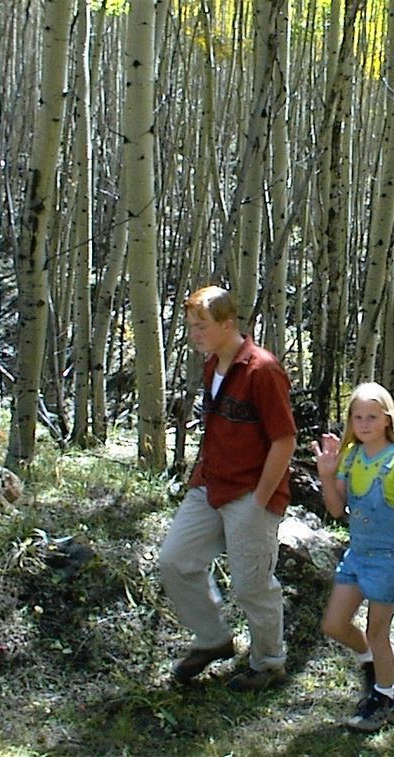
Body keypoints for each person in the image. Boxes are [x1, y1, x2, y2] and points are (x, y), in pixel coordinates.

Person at [159, 285, 297, 692]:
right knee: (175, 561)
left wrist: (259, 502)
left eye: (201, 326)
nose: (194, 334)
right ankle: (213, 639)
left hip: (252, 493)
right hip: (210, 486)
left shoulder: (262, 370)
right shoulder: (211, 366)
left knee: (252, 585)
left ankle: (269, 664)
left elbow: (284, 440)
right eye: (191, 326)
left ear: (227, 324)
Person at [311, 382, 394, 732]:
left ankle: (384, 700)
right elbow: (336, 508)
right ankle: (371, 666)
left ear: (387, 419)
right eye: (357, 417)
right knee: (334, 624)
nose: (364, 423)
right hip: (356, 556)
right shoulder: (352, 456)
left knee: (378, 632)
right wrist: (327, 476)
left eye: (372, 416)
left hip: (388, 562)